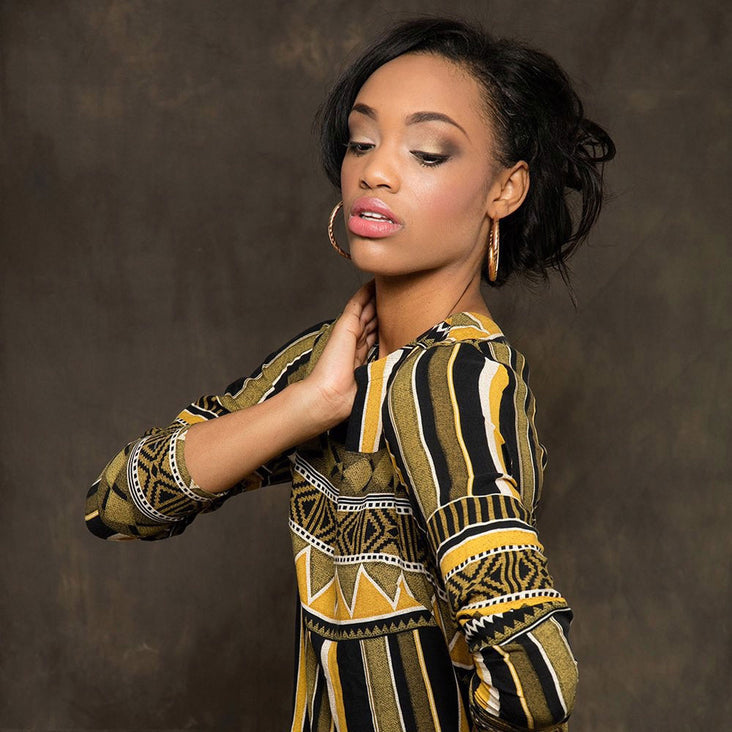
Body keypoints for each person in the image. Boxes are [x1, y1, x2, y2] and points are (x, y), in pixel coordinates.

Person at [85, 17, 614, 732]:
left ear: (505, 190)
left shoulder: (453, 380)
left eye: (427, 153)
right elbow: (117, 504)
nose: (376, 171)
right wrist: (308, 405)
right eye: (362, 142)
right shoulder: (330, 361)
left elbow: (535, 686)